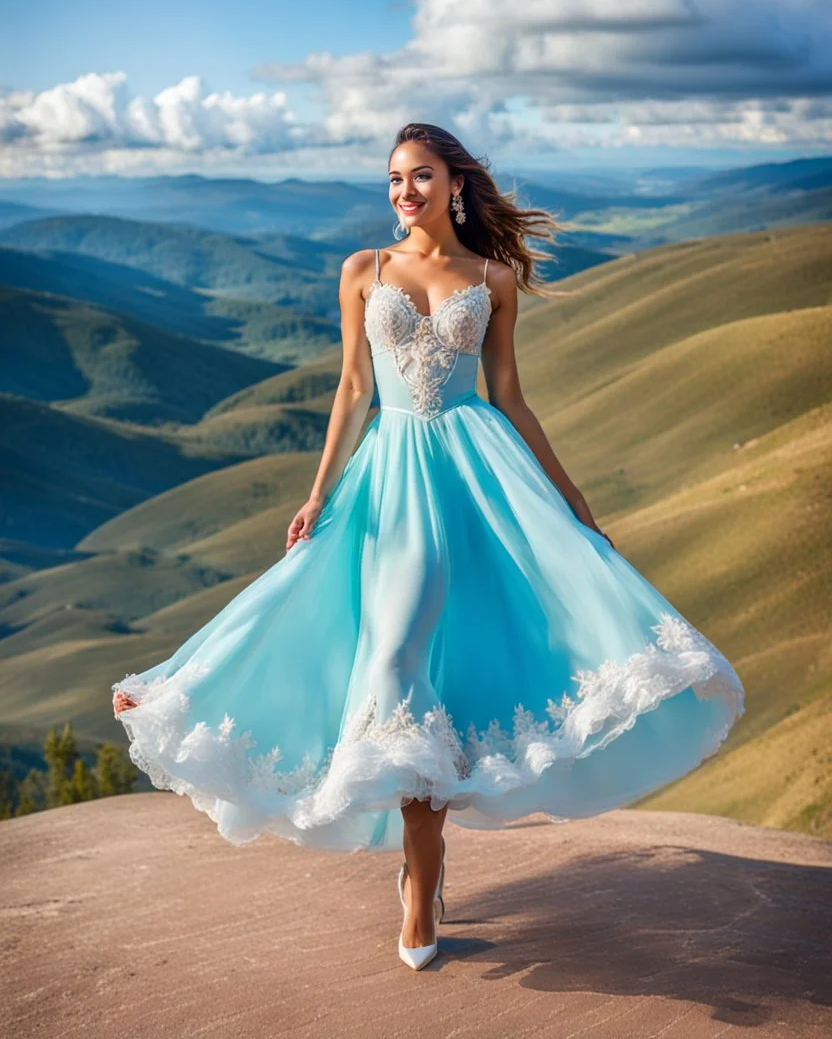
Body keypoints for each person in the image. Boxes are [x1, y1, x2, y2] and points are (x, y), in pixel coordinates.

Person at [112, 122, 744, 972]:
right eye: (393, 179)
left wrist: (569, 494)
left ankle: (421, 876)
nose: (404, 192)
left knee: (418, 661)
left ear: (456, 184)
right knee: (386, 652)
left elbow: (510, 396)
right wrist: (317, 491)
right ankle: (420, 868)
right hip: (386, 481)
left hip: (473, 478)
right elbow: (352, 387)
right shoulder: (362, 271)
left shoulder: (494, 277)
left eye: (420, 176)